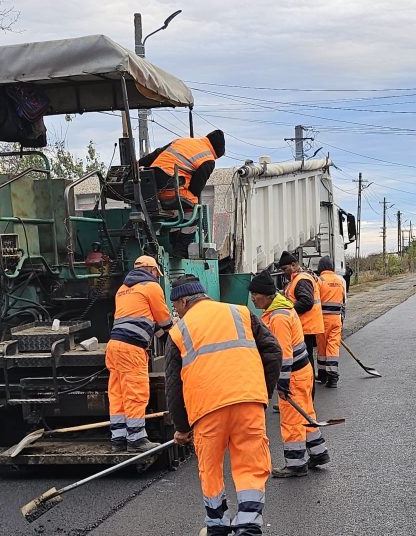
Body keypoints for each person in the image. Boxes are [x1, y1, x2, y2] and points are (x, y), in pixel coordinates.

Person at [165, 275, 282, 536]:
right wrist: (261, 394)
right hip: (248, 402)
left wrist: (182, 428)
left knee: (211, 467)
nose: (176, 312)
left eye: (176, 306)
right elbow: (273, 351)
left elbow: (174, 387)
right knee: (250, 465)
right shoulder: (240, 313)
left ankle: (217, 526)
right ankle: (249, 525)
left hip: (207, 410)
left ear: (184, 301)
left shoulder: (179, 331)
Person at [248, 270, 330, 478]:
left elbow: (283, 355)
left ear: (266, 295)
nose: (252, 299)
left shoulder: (278, 318)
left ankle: (296, 464)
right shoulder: (281, 309)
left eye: (254, 295)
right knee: (306, 415)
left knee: (292, 420)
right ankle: (319, 454)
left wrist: (281, 384)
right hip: (302, 371)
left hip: (293, 374)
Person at [106, 255, 172, 452]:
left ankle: (118, 438)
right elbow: (163, 318)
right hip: (132, 348)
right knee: (136, 392)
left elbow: (144, 319)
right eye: (156, 273)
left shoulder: (123, 290)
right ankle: (136, 439)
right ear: (152, 271)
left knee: (117, 393)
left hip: (114, 346)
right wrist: (170, 338)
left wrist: (158, 331)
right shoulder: (151, 287)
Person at [138, 130, 226, 258]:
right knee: (193, 208)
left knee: (175, 210)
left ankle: (174, 241)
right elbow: (196, 187)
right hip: (171, 187)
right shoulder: (208, 158)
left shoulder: (182, 141)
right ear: (218, 150)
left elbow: (157, 153)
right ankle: (181, 249)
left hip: (151, 187)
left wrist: (137, 164)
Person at [278, 251, 324, 387]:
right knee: (304, 361)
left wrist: (288, 310)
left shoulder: (302, 279)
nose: (284, 272)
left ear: (294, 265)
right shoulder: (297, 279)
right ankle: (305, 393)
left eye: (285, 269)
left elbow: (306, 302)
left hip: (305, 327)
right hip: (304, 326)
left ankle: (306, 393)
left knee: (304, 362)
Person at [315, 256, 346, 388]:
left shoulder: (319, 281)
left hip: (322, 319)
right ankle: (332, 376)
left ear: (320, 267)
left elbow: (315, 301)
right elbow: (343, 300)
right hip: (336, 319)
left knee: (322, 348)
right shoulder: (340, 281)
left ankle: (323, 375)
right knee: (333, 346)